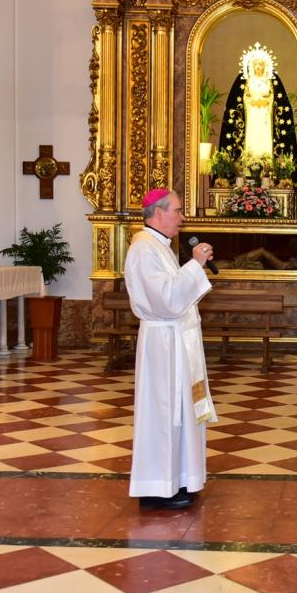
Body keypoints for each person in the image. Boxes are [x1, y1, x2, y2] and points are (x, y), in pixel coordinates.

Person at [124, 188, 216, 510]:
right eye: (177, 210)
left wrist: (193, 268)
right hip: (163, 345)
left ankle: (179, 479)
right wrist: (195, 265)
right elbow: (166, 300)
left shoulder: (158, 246)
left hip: (177, 342)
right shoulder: (143, 248)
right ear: (158, 213)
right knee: (164, 413)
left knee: (181, 412)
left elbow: (174, 294)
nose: (182, 217)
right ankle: (156, 489)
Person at [217, 42, 297, 164]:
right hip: (251, 118)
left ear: (266, 66)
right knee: (252, 140)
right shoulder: (244, 81)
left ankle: (268, 168)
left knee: (265, 140)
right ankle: (247, 167)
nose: (258, 67)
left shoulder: (272, 80)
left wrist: (265, 102)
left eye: (261, 64)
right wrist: (251, 101)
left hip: (266, 118)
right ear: (251, 66)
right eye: (256, 64)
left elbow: (277, 100)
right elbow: (239, 100)